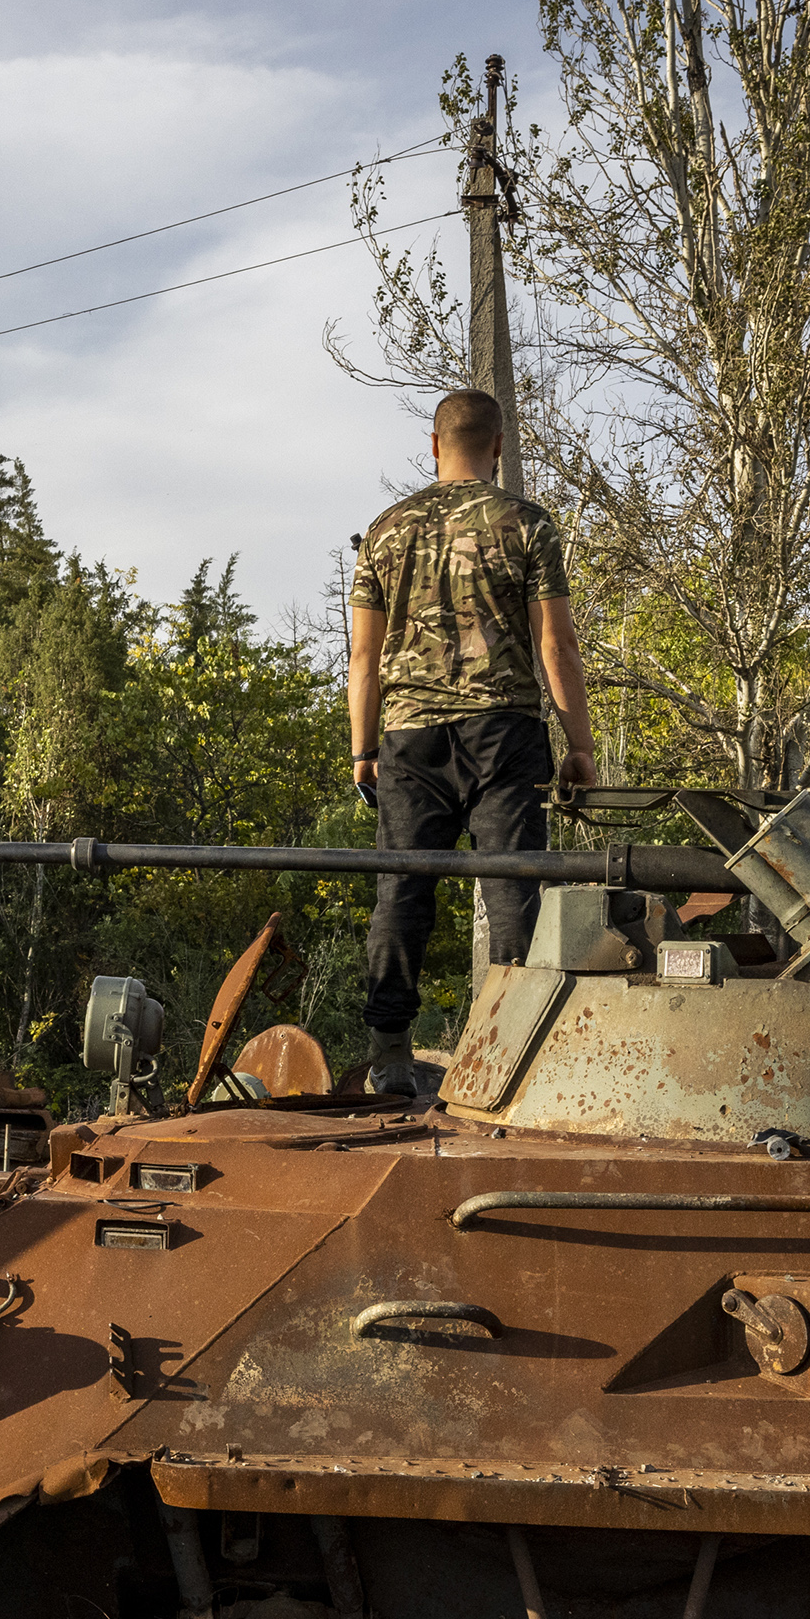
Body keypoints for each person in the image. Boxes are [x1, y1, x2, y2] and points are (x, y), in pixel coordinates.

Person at [346, 388, 598, 1097]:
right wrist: (579, 744)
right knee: (514, 887)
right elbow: (558, 643)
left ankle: (390, 1055)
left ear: (433, 446)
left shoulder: (384, 532)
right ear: (498, 447)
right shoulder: (527, 526)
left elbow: (362, 661)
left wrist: (362, 749)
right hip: (503, 731)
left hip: (408, 738)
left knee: (402, 890)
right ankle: (511, 1055)